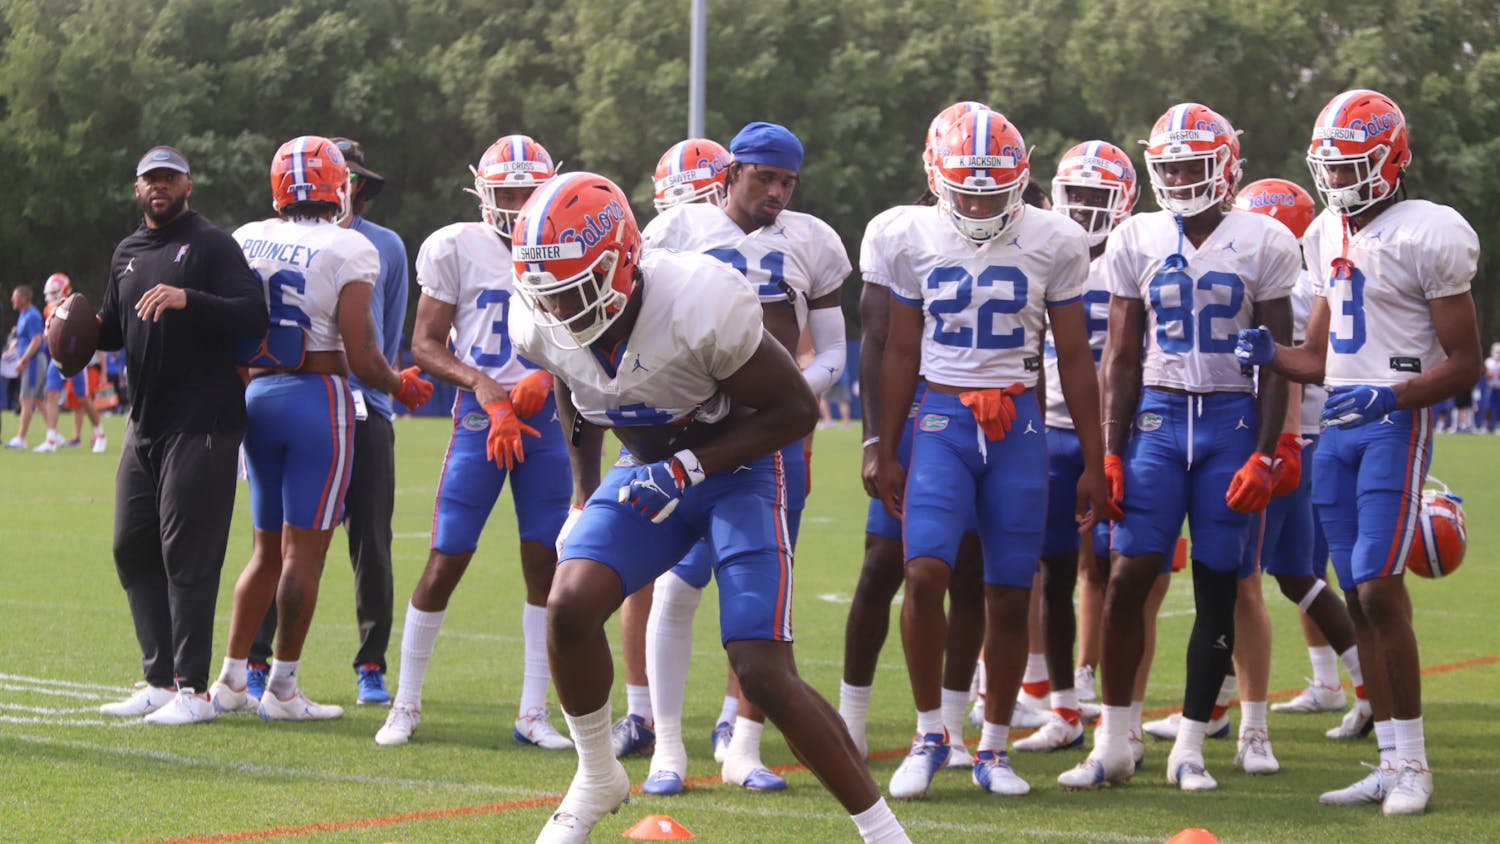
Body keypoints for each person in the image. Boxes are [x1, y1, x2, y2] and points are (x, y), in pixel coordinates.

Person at [509, 171, 908, 844]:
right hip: (644, 468)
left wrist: (691, 465)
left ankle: (883, 833)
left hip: (742, 467)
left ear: (623, 264)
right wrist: (584, 493)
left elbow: (794, 410)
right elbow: (572, 394)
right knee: (569, 604)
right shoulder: (541, 323)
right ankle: (598, 774)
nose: (566, 312)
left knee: (761, 666)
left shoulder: (698, 299)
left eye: (577, 290)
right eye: (551, 296)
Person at [1237, 88, 1482, 816]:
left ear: (1391, 159)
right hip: (1336, 433)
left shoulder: (1429, 231)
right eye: (1331, 168)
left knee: (1377, 588)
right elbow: (1316, 357)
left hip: (1390, 426)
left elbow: (1465, 360)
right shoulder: (1322, 232)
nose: (1339, 180)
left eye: (1353, 166)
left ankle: (1416, 767)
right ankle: (1389, 761)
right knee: (1356, 594)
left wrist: (1393, 398)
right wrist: (1270, 353)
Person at [874, 108, 1115, 800]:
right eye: (967, 189)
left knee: (1011, 589)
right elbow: (898, 348)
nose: (979, 203)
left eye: (993, 189)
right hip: (943, 417)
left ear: (1022, 180)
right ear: (937, 179)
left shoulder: (1055, 239)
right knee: (922, 574)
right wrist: (885, 444)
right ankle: (929, 734)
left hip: (1020, 424)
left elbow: (1074, 357)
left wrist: (1095, 460)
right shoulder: (908, 234)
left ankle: (995, 746)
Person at [1058, 103, 1297, 792]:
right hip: (1159, 418)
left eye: (1194, 165)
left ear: (1224, 166)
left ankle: (1189, 745)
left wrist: (1267, 450)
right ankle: (1114, 739)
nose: (1182, 177)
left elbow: (1278, 359)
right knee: (1129, 576)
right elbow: (1123, 357)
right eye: (1170, 166)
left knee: (1219, 582)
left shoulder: (1265, 240)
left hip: (1229, 418)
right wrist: (1108, 448)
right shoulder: (1136, 237)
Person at [637, 123, 851, 794]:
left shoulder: (812, 241)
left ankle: (744, 745)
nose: (777, 193)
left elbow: (837, 353)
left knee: (763, 605)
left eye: (787, 181)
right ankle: (665, 748)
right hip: (692, 433)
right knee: (676, 585)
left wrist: (788, 397)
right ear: (730, 173)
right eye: (764, 177)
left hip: (773, 444)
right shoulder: (676, 230)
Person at [208, 135, 431, 723]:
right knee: (303, 555)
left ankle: (231, 678)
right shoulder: (350, 247)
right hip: (318, 399)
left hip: (259, 395)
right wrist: (398, 383)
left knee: (262, 552)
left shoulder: (247, 238)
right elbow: (362, 353)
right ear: (339, 186)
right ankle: (282, 688)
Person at [373, 134, 572, 750]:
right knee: (447, 556)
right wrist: (486, 386)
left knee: (546, 562)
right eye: (506, 192)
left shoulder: (570, 236)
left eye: (527, 191)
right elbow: (426, 344)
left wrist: (551, 373)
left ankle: (533, 712)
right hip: (479, 421)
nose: (516, 205)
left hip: (547, 424)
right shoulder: (455, 245)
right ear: (483, 194)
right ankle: (404, 703)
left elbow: (595, 332)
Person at [93, 145, 270, 724]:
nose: (159, 186)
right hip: (144, 424)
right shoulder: (127, 251)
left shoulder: (213, 244)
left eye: (169, 177)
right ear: (137, 188)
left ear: (187, 184)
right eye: (150, 179)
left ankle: (194, 691)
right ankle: (160, 680)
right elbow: (113, 331)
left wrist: (187, 298)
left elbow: (253, 314)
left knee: (187, 555)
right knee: (130, 545)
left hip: (204, 420)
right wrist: (71, 328)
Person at [839, 100, 990, 770]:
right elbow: (877, 341)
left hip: (985, 412)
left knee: (973, 569)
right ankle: (852, 716)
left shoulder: (1016, 225)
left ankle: (950, 727)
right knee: (882, 564)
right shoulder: (901, 232)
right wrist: (878, 439)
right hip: (919, 406)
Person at [1012, 140, 1137, 755]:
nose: (1085, 208)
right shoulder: (1041, 250)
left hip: (1121, 436)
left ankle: (1124, 721)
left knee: (1122, 573)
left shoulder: (1134, 254)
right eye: (1077, 194)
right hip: (1049, 430)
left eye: (1098, 196)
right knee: (1053, 571)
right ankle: (1063, 706)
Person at [34, 273, 107, 453]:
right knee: (51, 394)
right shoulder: (47, 309)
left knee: (82, 397)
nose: (51, 296)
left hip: (74, 358)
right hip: (56, 357)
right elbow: (48, 335)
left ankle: (100, 433)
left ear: (64, 290)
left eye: (54, 291)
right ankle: (51, 439)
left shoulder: (75, 306)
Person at [4, 285, 46, 449]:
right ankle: (53, 433)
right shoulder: (23, 315)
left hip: (33, 361)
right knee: (36, 399)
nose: (12, 300)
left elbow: (36, 340)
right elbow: (24, 339)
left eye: (14, 297)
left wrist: (23, 360)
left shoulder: (32, 315)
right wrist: (13, 348)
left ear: (23, 299)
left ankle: (21, 438)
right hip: (30, 360)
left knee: (25, 399)